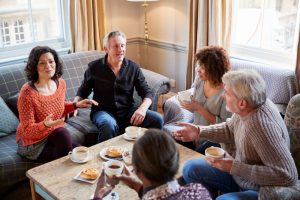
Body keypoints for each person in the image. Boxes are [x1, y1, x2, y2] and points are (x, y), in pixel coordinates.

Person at [174, 70, 298, 199]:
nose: (222, 96)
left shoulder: (261, 127)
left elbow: (288, 175)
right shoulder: (248, 106)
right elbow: (229, 129)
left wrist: (235, 167)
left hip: (259, 188)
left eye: (227, 93)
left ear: (242, 103)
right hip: (239, 176)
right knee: (190, 167)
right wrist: (199, 131)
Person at [73, 31, 163, 143]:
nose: (120, 50)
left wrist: (142, 109)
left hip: (128, 111)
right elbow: (83, 91)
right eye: (115, 46)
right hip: (102, 111)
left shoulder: (133, 67)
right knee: (108, 124)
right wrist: (74, 105)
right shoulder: (94, 68)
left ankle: (148, 153)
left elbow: (147, 92)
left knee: (158, 119)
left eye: (122, 45)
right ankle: (105, 159)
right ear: (106, 49)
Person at [16, 46, 98, 162]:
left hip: (52, 133)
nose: (48, 66)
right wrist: (45, 125)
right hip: (33, 142)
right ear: (35, 67)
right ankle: (57, 178)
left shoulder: (60, 83)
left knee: (81, 151)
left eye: (51, 61)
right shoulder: (27, 92)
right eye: (42, 63)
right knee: (66, 142)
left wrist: (75, 105)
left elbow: (56, 107)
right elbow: (27, 130)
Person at [93, 129, 212, 200]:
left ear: (136, 169)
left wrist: (97, 197)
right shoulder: (200, 191)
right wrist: (138, 187)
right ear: (176, 162)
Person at [163, 46, 232, 153]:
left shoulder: (227, 92)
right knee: (167, 138)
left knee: (194, 156)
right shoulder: (200, 79)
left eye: (203, 68)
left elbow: (224, 127)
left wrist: (200, 109)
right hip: (195, 133)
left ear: (214, 70)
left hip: (213, 139)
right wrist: (188, 104)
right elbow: (195, 104)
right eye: (199, 65)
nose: (198, 70)